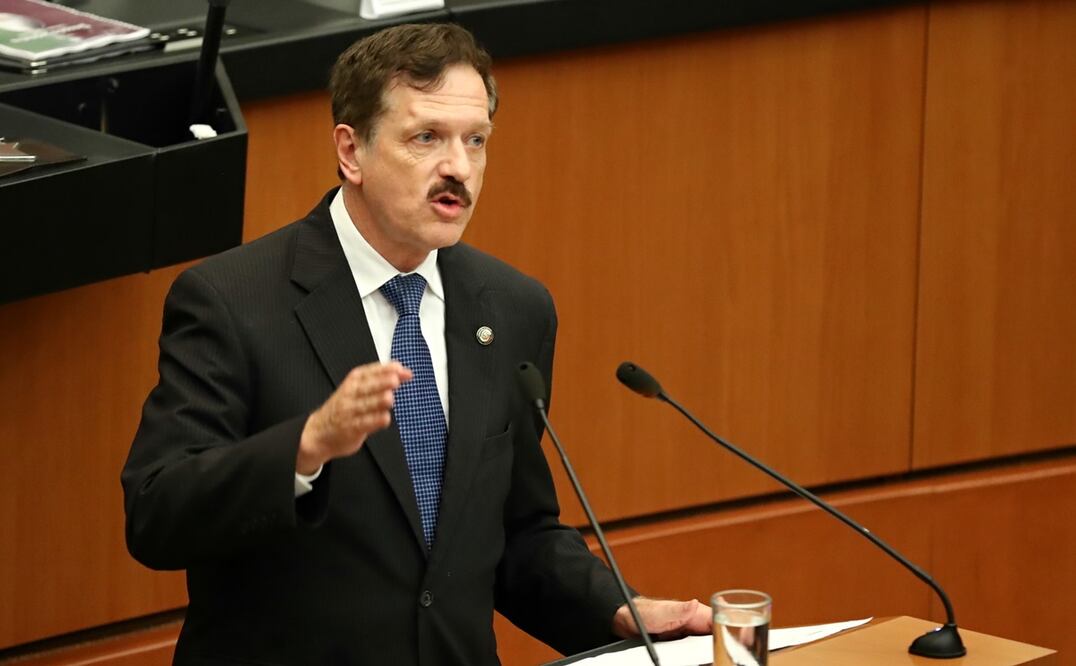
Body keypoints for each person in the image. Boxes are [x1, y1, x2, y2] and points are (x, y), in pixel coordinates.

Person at [122, 22, 709, 665]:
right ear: (351, 151)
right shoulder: (233, 300)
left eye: (475, 140)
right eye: (426, 138)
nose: (458, 167)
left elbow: (515, 534)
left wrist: (617, 609)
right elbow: (158, 513)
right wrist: (305, 447)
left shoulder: (513, 308)